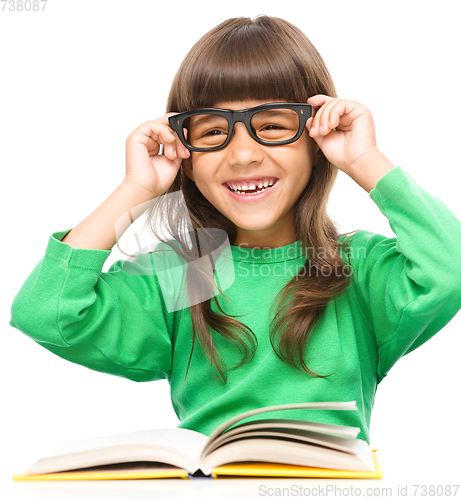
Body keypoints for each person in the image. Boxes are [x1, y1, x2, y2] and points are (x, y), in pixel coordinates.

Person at [9, 15, 461, 446]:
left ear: (317, 141)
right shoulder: (188, 274)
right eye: (212, 132)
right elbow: (46, 313)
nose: (243, 155)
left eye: (271, 126)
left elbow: (450, 268)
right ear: (183, 150)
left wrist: (365, 161)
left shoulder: (356, 270)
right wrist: (136, 187)